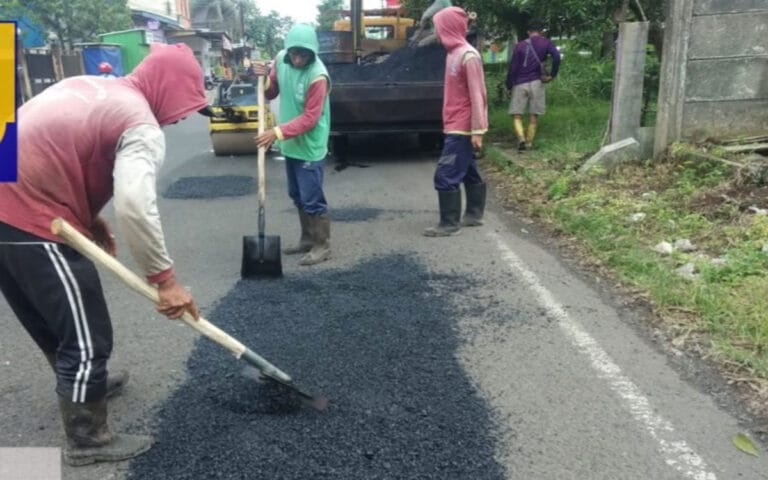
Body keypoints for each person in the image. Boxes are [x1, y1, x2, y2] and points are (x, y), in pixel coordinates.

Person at [0, 42, 211, 466]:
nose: (186, 115)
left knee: (50, 317)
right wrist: (165, 282)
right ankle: (88, 440)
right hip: (34, 219)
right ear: (169, 88)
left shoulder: (92, 84)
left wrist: (84, 215)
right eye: (187, 103)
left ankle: (83, 384)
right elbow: (135, 205)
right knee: (86, 333)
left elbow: (28, 134)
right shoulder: (140, 123)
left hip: (10, 206)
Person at [253, 24, 332, 266]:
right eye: (294, 54)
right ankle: (307, 239)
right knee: (296, 194)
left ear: (312, 53)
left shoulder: (317, 76)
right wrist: (262, 77)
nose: (297, 60)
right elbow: (271, 93)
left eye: (304, 55)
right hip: (290, 141)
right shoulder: (280, 59)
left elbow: (310, 118)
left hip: (309, 143)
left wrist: (276, 132)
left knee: (311, 197)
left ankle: (322, 245)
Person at [423, 6, 488, 237]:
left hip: (463, 128)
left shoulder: (468, 56)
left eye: (438, 28)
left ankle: (449, 225)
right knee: (468, 170)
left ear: (448, 27)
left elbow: (477, 94)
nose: (436, 33)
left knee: (445, 175)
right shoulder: (452, 53)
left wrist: (478, 130)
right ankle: (474, 215)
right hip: (455, 124)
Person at [505, 19, 561, 151]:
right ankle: (529, 143)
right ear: (541, 31)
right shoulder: (546, 43)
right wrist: (552, 75)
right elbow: (557, 57)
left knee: (517, 114)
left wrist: (509, 84)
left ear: (528, 32)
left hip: (520, 83)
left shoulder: (519, 46)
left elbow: (513, 68)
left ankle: (521, 139)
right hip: (537, 82)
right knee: (533, 114)